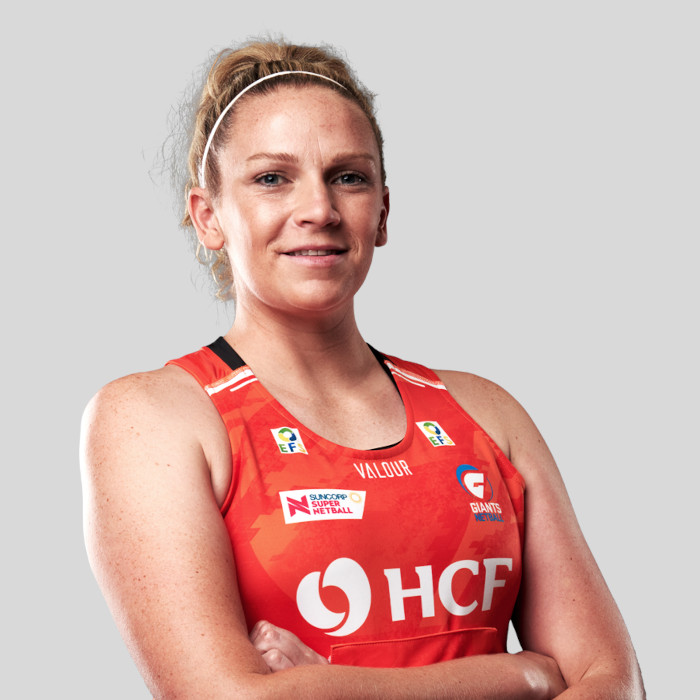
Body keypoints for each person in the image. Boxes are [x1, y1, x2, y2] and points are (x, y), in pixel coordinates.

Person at [80, 39, 645, 698]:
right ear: (209, 217)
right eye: (272, 178)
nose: (318, 210)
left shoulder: (486, 413)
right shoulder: (153, 419)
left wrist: (326, 688)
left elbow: (614, 683)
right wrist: (522, 676)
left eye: (347, 176)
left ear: (382, 212)